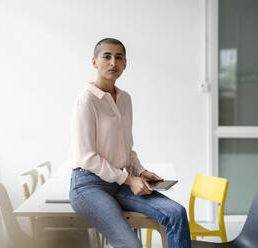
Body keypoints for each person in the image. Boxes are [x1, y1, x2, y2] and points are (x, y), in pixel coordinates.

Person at [68, 38, 191, 248]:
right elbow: (87, 157)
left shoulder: (125, 99)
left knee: (176, 213)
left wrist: (141, 172)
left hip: (119, 181)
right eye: (106, 56)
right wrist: (128, 179)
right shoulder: (86, 100)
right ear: (94, 62)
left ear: (125, 64)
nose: (113, 63)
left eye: (119, 57)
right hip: (88, 185)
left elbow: (127, 147)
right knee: (131, 245)